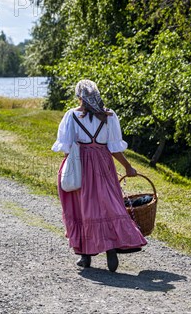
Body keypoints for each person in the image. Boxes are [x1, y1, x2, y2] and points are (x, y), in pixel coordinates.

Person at [52, 79, 147, 272]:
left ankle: (85, 257)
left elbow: (67, 147)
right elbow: (114, 148)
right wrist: (128, 167)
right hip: (103, 165)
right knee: (108, 204)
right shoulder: (109, 116)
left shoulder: (71, 116)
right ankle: (111, 250)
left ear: (79, 97)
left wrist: (69, 166)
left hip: (81, 165)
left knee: (82, 207)